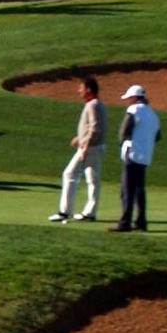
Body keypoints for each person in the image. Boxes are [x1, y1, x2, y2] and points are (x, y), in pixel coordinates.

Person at [48, 75, 105, 223]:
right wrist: (79, 138)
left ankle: (65, 212)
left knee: (69, 174)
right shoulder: (97, 104)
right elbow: (91, 128)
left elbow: (95, 128)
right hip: (95, 147)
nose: (79, 90)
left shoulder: (92, 105)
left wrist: (85, 145)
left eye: (81, 87)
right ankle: (90, 213)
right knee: (93, 180)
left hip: (90, 148)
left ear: (89, 89)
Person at [112, 83, 162, 233]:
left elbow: (124, 130)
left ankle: (125, 222)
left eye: (129, 98)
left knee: (127, 188)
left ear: (134, 97)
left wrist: (122, 143)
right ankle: (141, 221)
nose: (128, 101)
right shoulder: (153, 114)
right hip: (145, 156)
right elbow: (158, 136)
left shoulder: (134, 110)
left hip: (132, 153)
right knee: (140, 189)